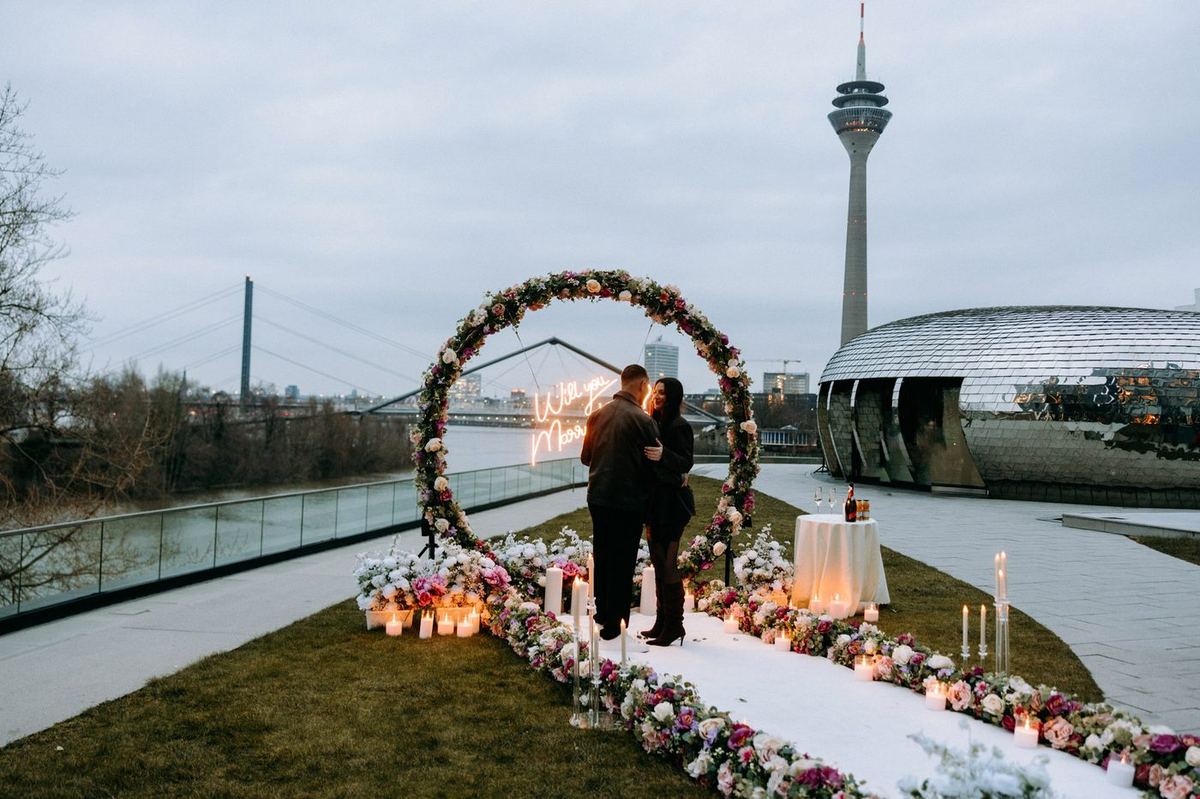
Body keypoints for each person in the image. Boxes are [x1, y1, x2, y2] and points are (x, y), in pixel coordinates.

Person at [580, 364, 660, 640]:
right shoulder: (643, 420)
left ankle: (602, 613)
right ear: (642, 385)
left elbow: (585, 457)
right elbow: (653, 464)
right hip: (629, 499)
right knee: (624, 560)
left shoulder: (597, 415)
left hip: (598, 495)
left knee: (603, 554)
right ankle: (616, 624)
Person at [639, 377, 695, 647]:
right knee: (658, 564)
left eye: (662, 393)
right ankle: (662, 622)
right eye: (655, 392)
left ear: (672, 396)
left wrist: (663, 457)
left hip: (672, 506)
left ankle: (675, 625)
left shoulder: (680, 426)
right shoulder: (654, 423)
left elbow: (685, 463)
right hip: (654, 504)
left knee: (668, 564)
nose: (657, 396)